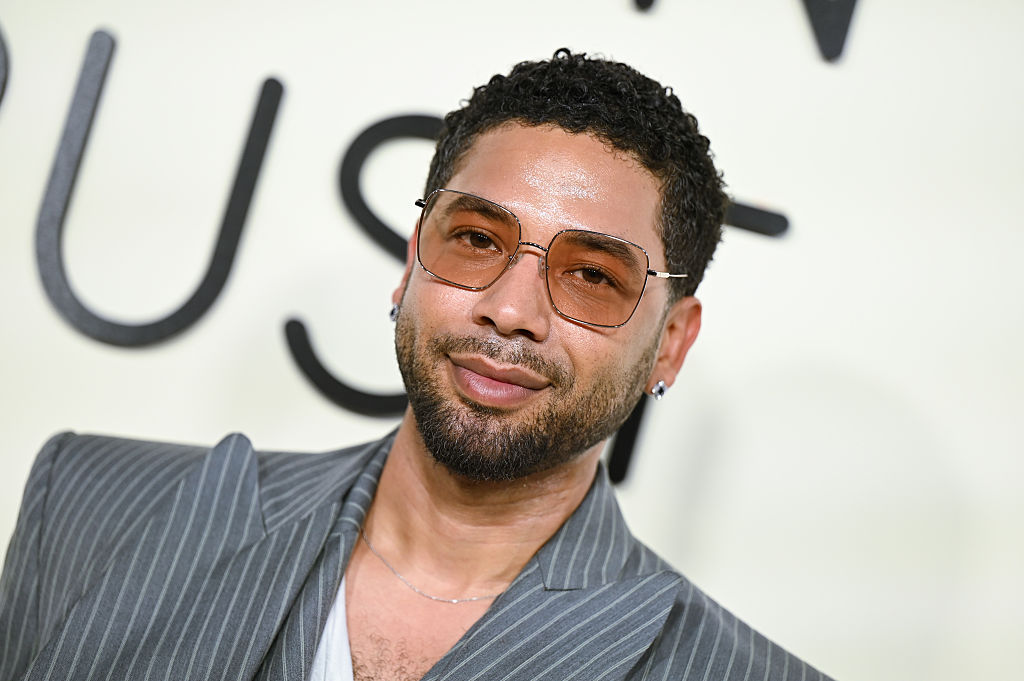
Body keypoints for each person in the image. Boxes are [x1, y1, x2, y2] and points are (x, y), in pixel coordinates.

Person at [0, 49, 832, 681]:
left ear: (672, 342)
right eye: (475, 238)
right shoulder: (91, 507)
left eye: (591, 274)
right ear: (411, 263)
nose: (510, 309)